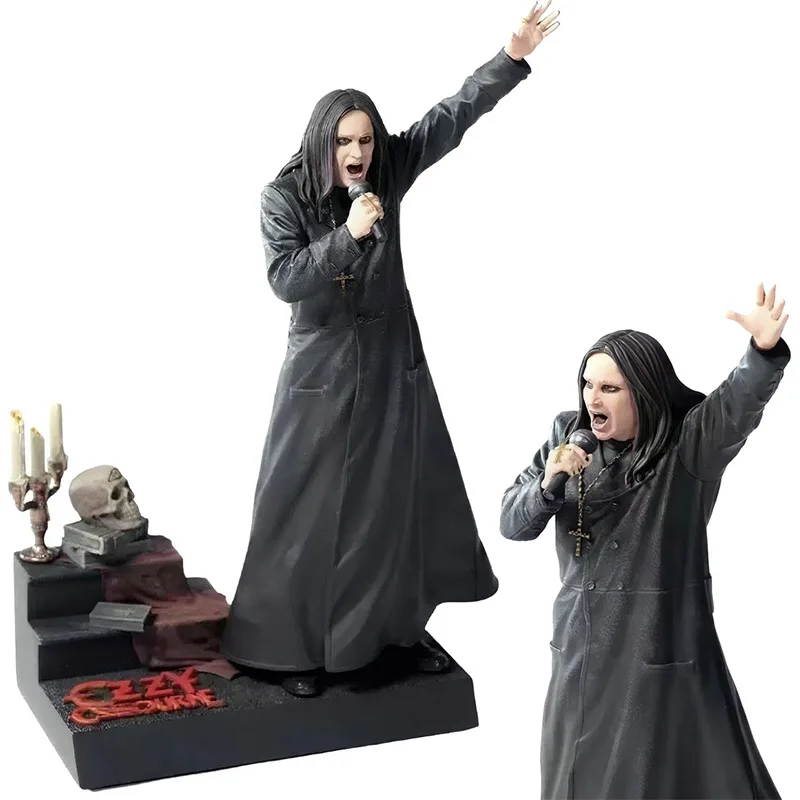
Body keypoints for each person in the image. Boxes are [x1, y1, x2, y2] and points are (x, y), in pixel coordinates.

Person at [222, 4, 561, 697]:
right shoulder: (282, 197)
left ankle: (391, 638)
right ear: (322, 141)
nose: (357, 152)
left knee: (393, 510)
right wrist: (347, 234)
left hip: (390, 373)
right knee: (304, 516)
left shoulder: (388, 172)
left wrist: (511, 57)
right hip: (319, 382)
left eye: (366, 139)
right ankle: (292, 651)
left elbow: (451, 117)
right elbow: (286, 280)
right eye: (344, 140)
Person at [500, 283, 789, 799]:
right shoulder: (566, 438)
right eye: (588, 384)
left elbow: (735, 406)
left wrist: (761, 353)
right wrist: (549, 481)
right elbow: (512, 523)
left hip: (654, 645)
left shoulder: (687, 446)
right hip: (579, 643)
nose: (592, 399)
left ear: (644, 392)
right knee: (573, 772)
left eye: (610, 388)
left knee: (654, 777)